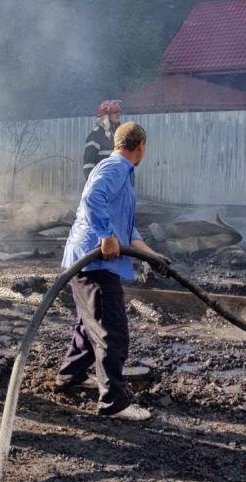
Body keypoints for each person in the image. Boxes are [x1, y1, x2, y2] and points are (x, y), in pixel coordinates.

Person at [56, 122, 169, 421]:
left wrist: (150, 255)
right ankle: (114, 403)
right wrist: (105, 236)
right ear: (140, 145)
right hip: (94, 263)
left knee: (86, 325)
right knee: (112, 332)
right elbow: (91, 198)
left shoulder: (120, 172)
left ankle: (69, 376)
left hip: (85, 261)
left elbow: (127, 230)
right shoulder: (116, 167)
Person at [82, 99, 122, 180]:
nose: (118, 114)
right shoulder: (95, 135)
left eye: (118, 112)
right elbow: (88, 164)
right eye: (114, 112)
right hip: (103, 183)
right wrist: (94, 184)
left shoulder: (118, 135)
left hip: (117, 184)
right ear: (106, 116)